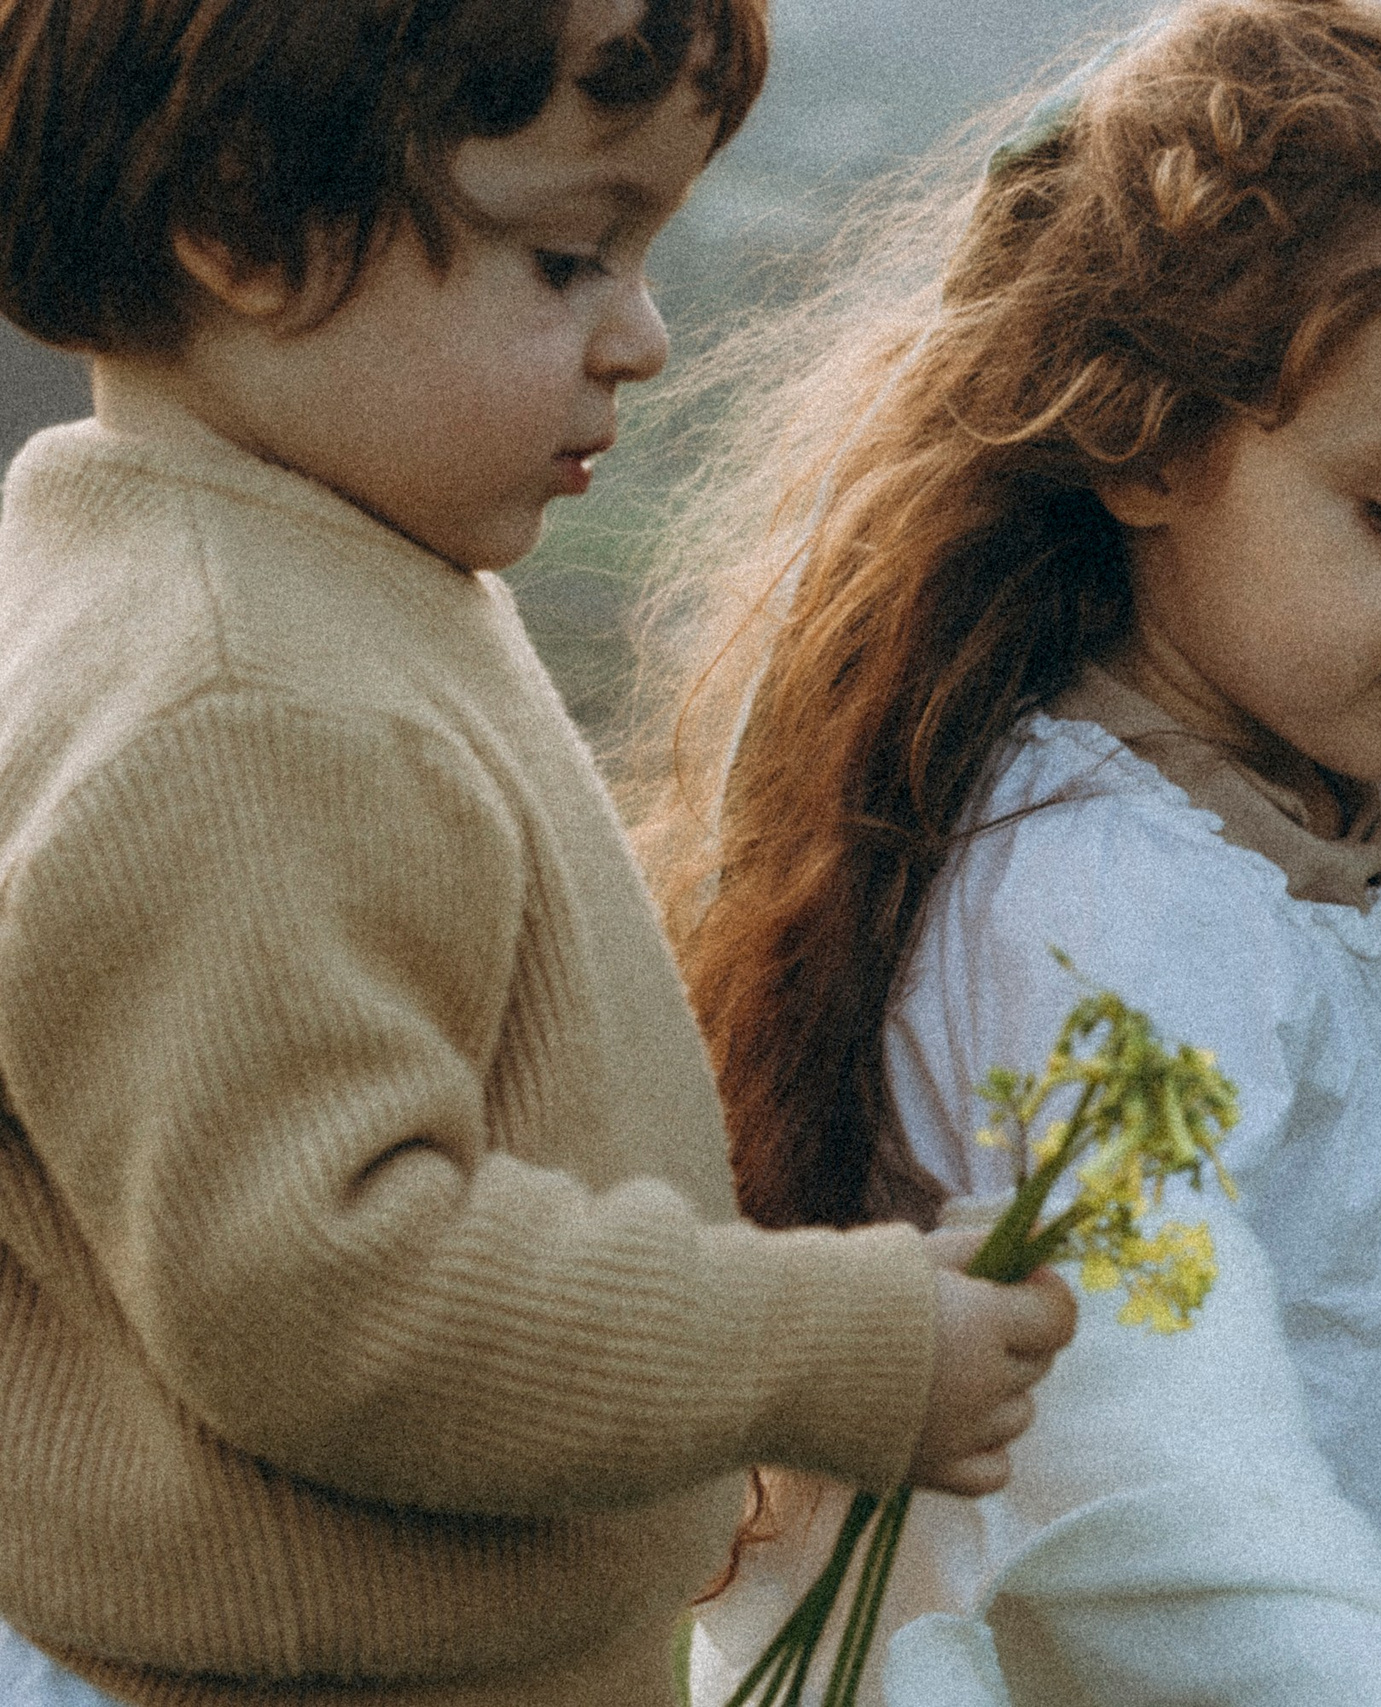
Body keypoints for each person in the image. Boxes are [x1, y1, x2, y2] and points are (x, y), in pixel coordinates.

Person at [629, 2, 1381, 1700]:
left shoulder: (1342, 840)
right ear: (1150, 443)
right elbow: (1148, 1475)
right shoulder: (1106, 904)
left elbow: (1360, 1338)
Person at [0, 2, 1074, 1702]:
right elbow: (336, 1292)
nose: (639, 336)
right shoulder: (239, 703)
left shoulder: (287, 567)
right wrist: (834, 1348)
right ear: (249, 223)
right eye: (569, 260)